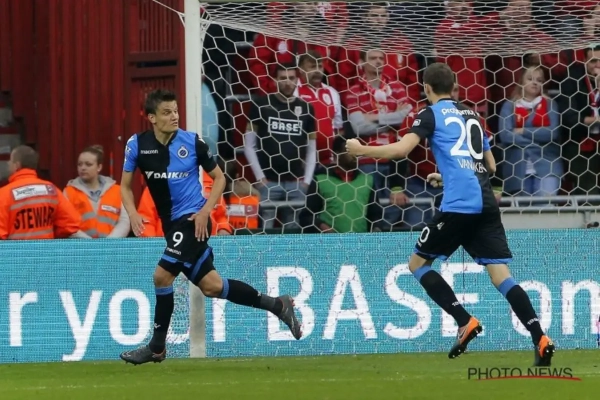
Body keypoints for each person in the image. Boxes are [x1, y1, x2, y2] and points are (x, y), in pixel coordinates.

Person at [345, 63, 555, 366]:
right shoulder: (472, 115)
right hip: (485, 202)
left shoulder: (429, 113)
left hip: (460, 204)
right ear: (454, 87)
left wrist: (361, 149)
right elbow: (490, 166)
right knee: (501, 275)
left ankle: (464, 320)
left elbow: (402, 150)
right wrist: (448, 177)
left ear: (426, 88)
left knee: (418, 264)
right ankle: (540, 337)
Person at [119, 89, 301, 365]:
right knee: (212, 286)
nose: (174, 116)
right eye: (167, 112)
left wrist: (205, 211)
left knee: (161, 277)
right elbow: (124, 185)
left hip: (193, 222)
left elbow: (219, 179)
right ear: (152, 118)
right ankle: (278, 304)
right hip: (172, 226)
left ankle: (156, 347)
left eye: (176, 111)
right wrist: (132, 213)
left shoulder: (193, 142)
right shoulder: (137, 145)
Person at [243, 63, 317, 231]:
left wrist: (306, 181)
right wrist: (260, 179)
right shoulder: (261, 105)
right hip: (269, 182)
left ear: (297, 80)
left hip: (296, 182)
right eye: (283, 78)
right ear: (275, 80)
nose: (287, 82)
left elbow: (312, 149)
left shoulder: (306, 108)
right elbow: (248, 145)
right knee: (266, 231)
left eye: (291, 78)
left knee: (293, 233)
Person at [0, 146, 84, 240]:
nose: (8, 163)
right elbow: (72, 223)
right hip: (46, 249)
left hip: (16, 249)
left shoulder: (4, 194)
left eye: (10, 161)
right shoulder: (51, 190)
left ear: (17, 165)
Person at [63, 145, 131, 238]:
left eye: (88, 164)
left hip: (111, 245)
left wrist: (109, 243)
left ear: (99, 167)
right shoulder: (69, 192)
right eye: (80, 164)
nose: (83, 168)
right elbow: (67, 223)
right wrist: (89, 244)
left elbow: (124, 221)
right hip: (81, 245)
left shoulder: (117, 191)